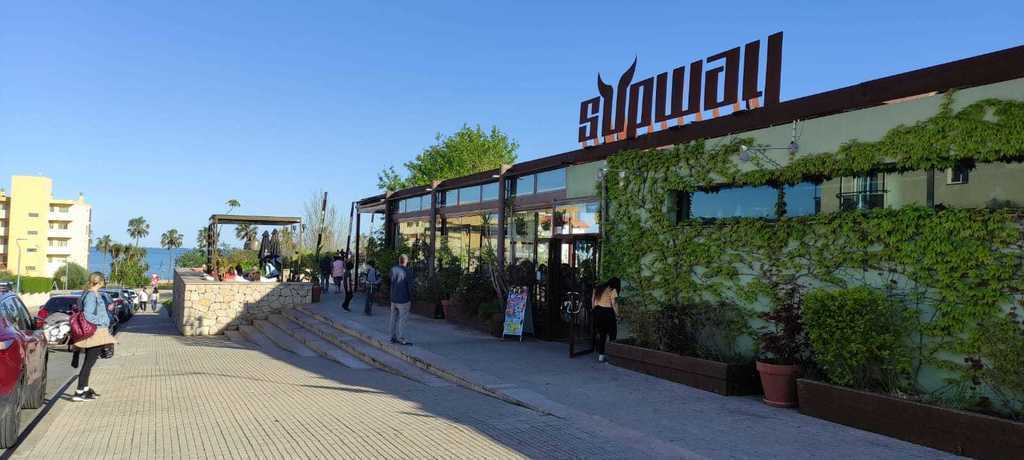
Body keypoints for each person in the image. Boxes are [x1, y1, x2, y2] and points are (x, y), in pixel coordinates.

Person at [73, 272, 117, 401]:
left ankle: (85, 389)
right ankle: (79, 392)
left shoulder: (92, 293)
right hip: (95, 333)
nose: (105, 283)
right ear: (100, 281)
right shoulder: (91, 295)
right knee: (89, 363)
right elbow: (88, 315)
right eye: (104, 280)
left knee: (89, 362)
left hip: (97, 332)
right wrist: (102, 321)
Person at [592, 277, 621, 363]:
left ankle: (601, 356)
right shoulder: (613, 290)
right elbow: (614, 303)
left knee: (602, 335)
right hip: (608, 313)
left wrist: (594, 310)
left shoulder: (598, 288)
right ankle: (612, 357)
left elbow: (592, 300)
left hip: (598, 311)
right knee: (612, 334)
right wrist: (618, 315)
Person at [388, 254, 415, 345]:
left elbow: (391, 281)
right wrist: (411, 297)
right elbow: (410, 286)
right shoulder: (408, 271)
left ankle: (392, 337)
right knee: (402, 319)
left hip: (394, 298)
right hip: (404, 299)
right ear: (406, 261)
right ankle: (401, 338)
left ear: (399, 260)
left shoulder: (393, 269)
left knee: (393, 318)